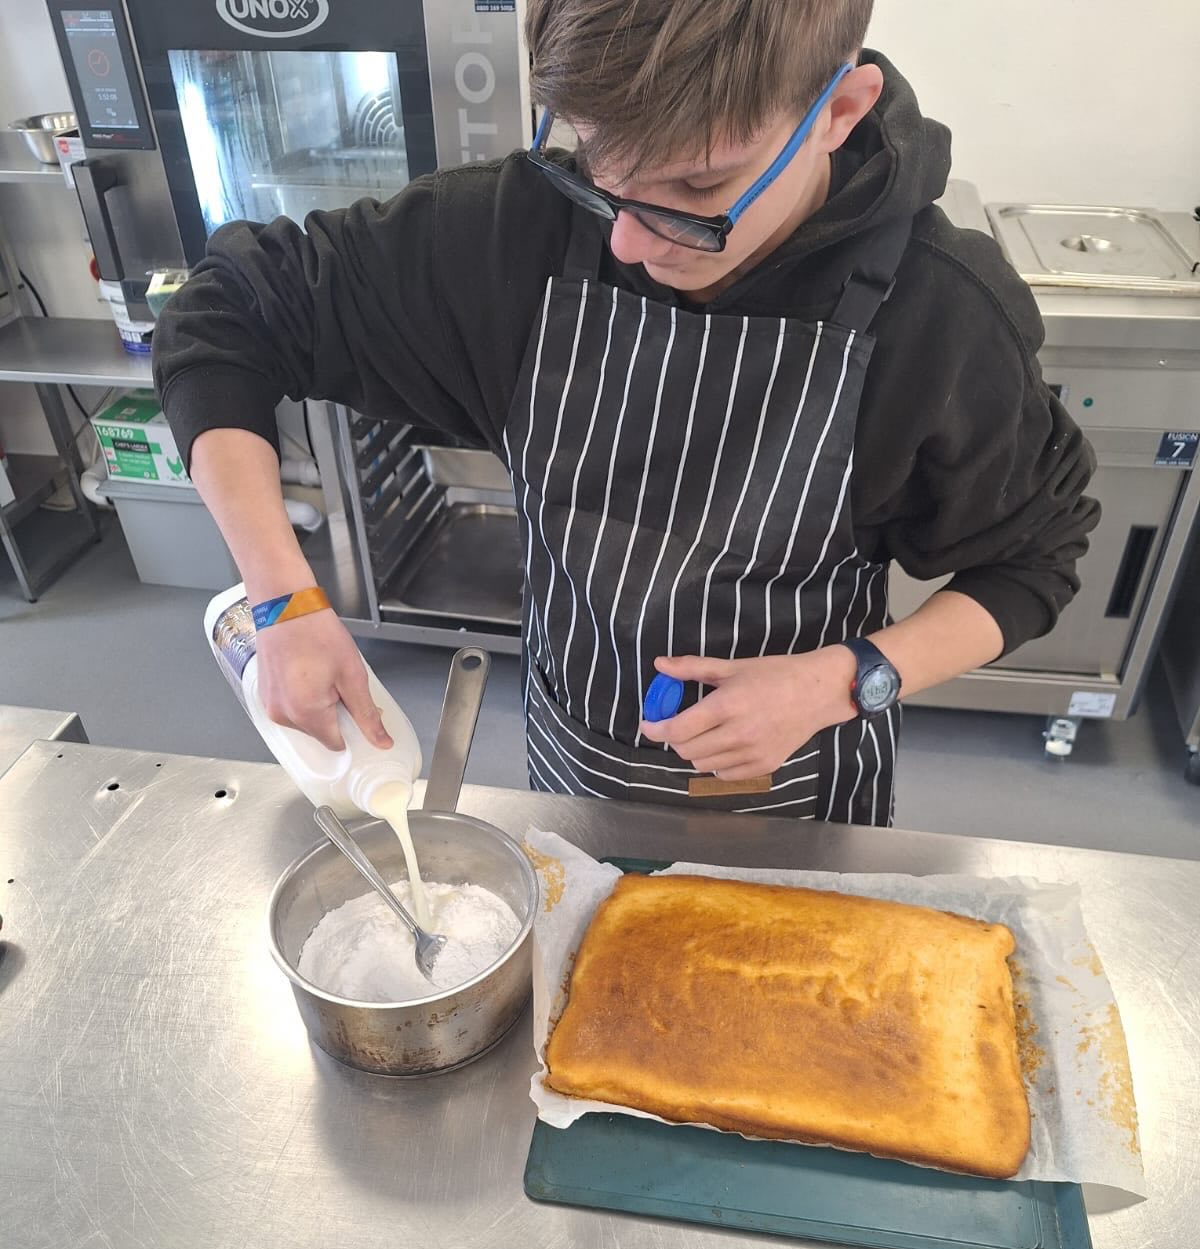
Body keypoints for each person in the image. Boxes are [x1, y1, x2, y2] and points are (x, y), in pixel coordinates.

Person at [154, 0, 1097, 824]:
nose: (635, 243)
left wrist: (841, 680)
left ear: (837, 112)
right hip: (572, 766)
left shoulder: (941, 315)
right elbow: (225, 315)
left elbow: (1031, 564)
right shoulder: (516, 234)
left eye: (699, 191)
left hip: (796, 789)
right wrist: (282, 598)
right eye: (600, 169)